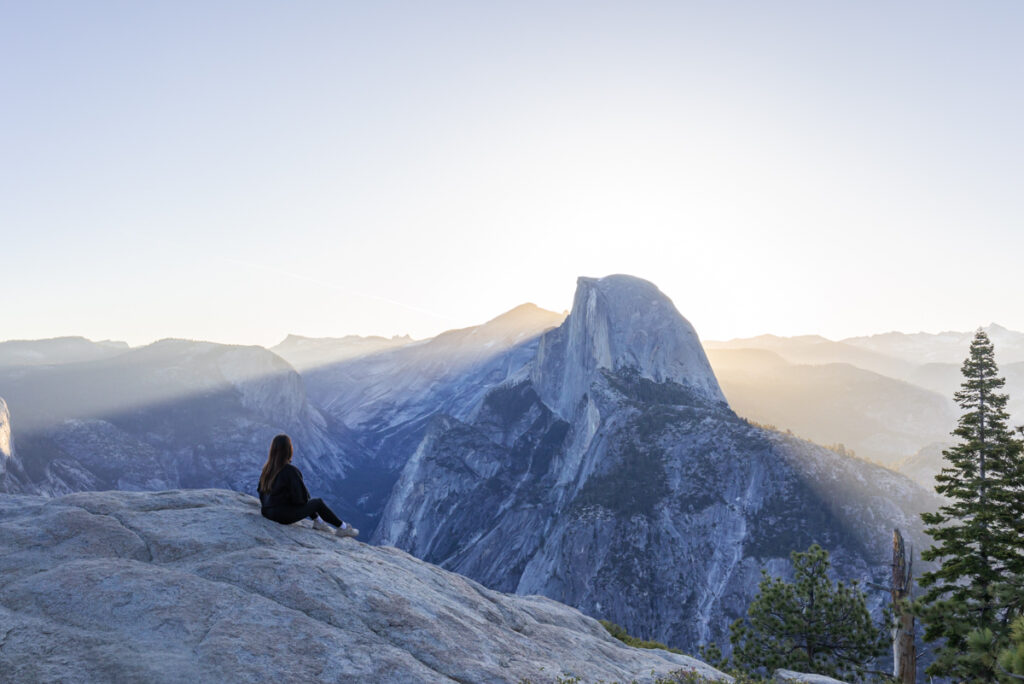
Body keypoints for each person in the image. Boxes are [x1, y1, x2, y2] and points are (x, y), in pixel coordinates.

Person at [257, 434, 358, 538]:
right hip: (282, 516)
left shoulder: (267, 469)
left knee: (306, 497)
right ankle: (343, 528)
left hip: (267, 512)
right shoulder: (290, 471)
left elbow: (260, 492)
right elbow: (300, 500)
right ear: (288, 450)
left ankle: (318, 522)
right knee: (317, 502)